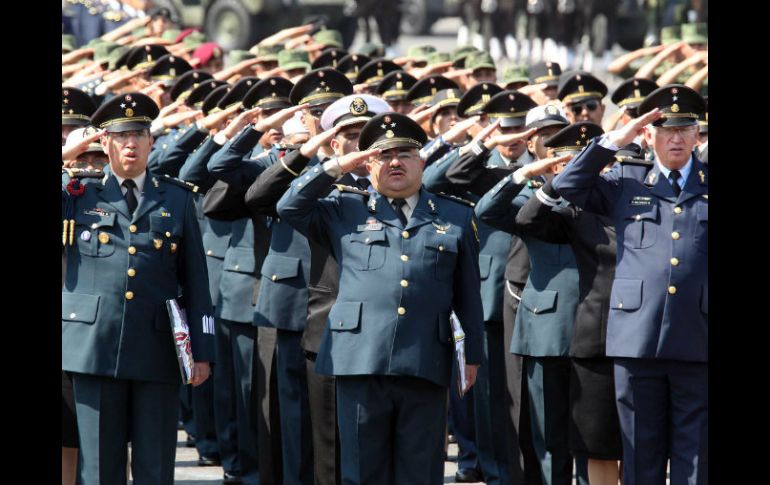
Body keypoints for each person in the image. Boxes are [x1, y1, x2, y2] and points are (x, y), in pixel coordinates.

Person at [276, 112, 484, 484]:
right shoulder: (343, 208)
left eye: (404, 153)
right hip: (359, 359)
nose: (395, 162)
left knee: (419, 472)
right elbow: (288, 205)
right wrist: (337, 165)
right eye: (383, 155)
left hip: (425, 358)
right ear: (368, 162)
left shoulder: (453, 215)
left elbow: (468, 296)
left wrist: (472, 357)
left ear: (422, 161)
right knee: (361, 471)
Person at [552, 84, 708, 485]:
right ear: (648, 134)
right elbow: (567, 185)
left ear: (697, 134)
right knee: (641, 454)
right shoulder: (625, 180)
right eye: (666, 129)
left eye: (685, 129)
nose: (675, 138)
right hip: (638, 338)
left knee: (696, 459)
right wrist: (611, 142)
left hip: (698, 335)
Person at [62, 92, 214, 484]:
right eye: (121, 135)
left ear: (151, 141)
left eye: (139, 135)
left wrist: (203, 350)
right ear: (105, 143)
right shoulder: (78, 193)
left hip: (157, 346)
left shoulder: (177, 199)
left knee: (155, 466)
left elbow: (196, 279)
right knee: (98, 468)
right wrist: (65, 156)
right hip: (94, 346)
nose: (130, 144)